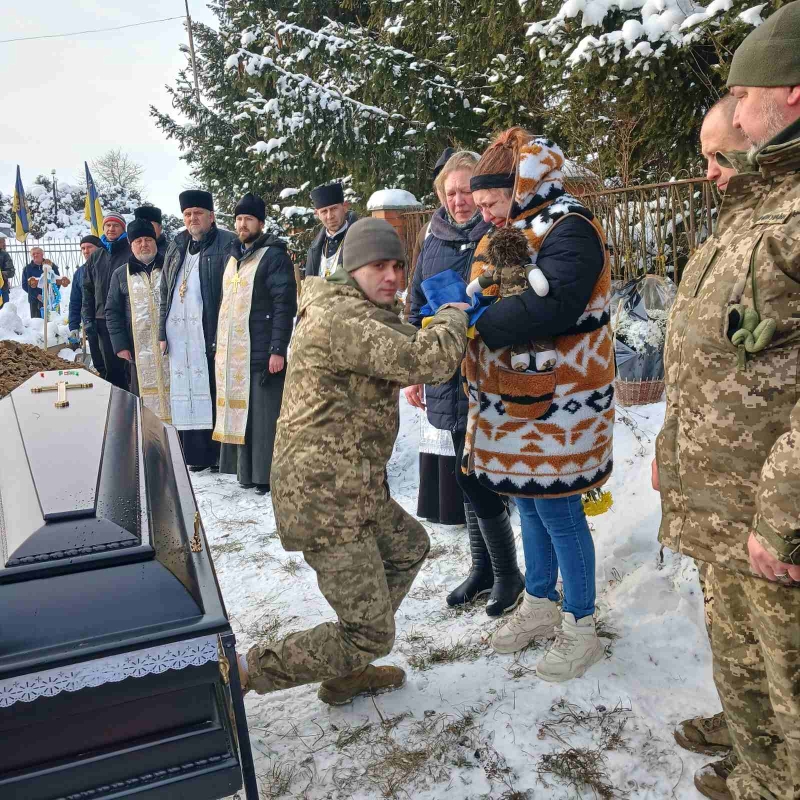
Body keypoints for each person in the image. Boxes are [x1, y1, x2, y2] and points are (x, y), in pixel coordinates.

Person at [656, 5, 800, 798]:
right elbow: (709, 357)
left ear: (791, 92)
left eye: (742, 96)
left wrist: (783, 512)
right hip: (727, 500)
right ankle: (758, 761)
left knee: (790, 674)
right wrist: (670, 452)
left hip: (775, 515)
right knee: (746, 650)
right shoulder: (752, 212)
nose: (735, 116)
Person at [237, 218, 469, 705]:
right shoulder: (342, 319)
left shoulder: (356, 310)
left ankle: (346, 672)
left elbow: (398, 337)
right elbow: (427, 360)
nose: (392, 277)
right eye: (378, 266)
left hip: (352, 486)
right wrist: (453, 313)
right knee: (370, 633)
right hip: (323, 498)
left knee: (408, 547)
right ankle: (244, 671)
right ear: (352, 267)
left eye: (398, 266)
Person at [463, 129, 613, 682]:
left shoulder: (570, 226)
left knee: (559, 511)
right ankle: (541, 600)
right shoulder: (517, 226)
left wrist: (474, 324)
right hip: (514, 400)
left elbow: (551, 307)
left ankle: (581, 623)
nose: (484, 216)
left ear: (521, 185)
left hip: (563, 401)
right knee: (526, 501)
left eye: (491, 202)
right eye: (480, 205)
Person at [651, 95, 750, 797]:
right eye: (705, 158)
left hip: (762, 484)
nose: (709, 172)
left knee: (774, 637)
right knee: (735, 625)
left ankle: (772, 762)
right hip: (716, 474)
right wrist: (669, 445)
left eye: (720, 156)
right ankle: (748, 727)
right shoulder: (733, 225)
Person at [406, 150, 491, 532]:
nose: (459, 201)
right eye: (451, 193)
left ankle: (496, 560)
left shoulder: (496, 233)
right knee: (465, 474)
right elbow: (415, 305)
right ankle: (482, 559)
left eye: (466, 191)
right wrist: (413, 372)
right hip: (447, 372)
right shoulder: (433, 240)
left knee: (485, 479)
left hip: (489, 370)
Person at [214, 193, 297, 494]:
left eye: (248, 219)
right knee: (245, 416)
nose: (242, 224)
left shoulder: (274, 256)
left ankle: (266, 476)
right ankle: (246, 473)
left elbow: (284, 304)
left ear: (260, 223)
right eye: (238, 219)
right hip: (235, 352)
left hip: (262, 350)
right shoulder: (232, 256)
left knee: (264, 417)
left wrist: (278, 349)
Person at [160, 190, 236, 471]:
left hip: (209, 329)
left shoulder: (227, 242)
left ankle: (217, 456)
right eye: (188, 214)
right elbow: (165, 290)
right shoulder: (177, 245)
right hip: (180, 336)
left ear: (211, 216)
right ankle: (195, 456)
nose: (193, 218)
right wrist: (161, 332)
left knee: (212, 390)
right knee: (186, 390)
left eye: (198, 213)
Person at [105, 220, 171, 421]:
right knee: (142, 400)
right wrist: (121, 345)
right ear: (131, 244)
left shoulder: (170, 268)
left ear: (155, 241)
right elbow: (112, 311)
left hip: (171, 348)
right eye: (138, 241)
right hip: (138, 350)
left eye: (148, 240)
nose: (144, 244)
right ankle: (149, 435)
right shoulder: (121, 274)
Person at [82, 213, 131, 390]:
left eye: (116, 225)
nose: (111, 229)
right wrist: (88, 318)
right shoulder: (96, 256)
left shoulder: (130, 252)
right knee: (111, 368)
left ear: (123, 229)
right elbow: (87, 290)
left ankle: (133, 399)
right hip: (102, 319)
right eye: (108, 226)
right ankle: (117, 400)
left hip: (126, 319)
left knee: (129, 366)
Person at [69, 235, 106, 377]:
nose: (86, 251)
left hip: (109, 322)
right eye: (83, 248)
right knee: (99, 362)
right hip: (90, 323)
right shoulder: (80, 273)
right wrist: (73, 325)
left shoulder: (107, 267)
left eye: (89, 247)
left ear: (99, 248)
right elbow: (75, 301)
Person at [304, 182, 357, 279]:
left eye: (334, 209)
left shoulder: (360, 241)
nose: (330, 216)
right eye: (324, 211)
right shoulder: (314, 248)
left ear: (345, 207)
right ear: (317, 214)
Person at [22, 247, 64, 319]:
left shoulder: (51, 266)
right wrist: (36, 295)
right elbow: (25, 285)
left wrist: (52, 292)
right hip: (35, 300)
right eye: (33, 254)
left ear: (42, 254)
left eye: (37, 253)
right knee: (37, 322)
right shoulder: (27, 268)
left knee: (53, 320)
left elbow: (57, 280)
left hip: (51, 299)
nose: (35, 255)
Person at [0, 236, 14, 306]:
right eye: (2, 242)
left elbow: (11, 272)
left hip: (2, 291)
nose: (4, 244)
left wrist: (1, 274)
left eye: (4, 242)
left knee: (3, 312)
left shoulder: (4, 255)